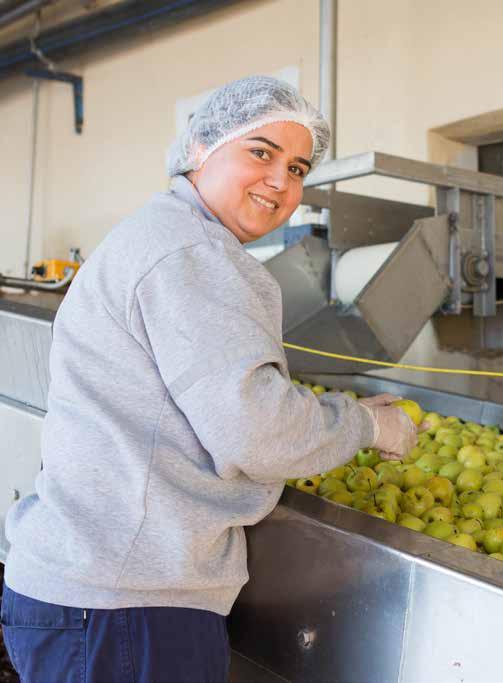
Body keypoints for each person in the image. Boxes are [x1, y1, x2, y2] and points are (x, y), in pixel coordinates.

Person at [1, 76, 416, 682]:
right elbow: (259, 432)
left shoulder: (165, 234)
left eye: (298, 167)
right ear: (200, 149)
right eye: (261, 152)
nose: (281, 180)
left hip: (94, 588)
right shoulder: (193, 253)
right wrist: (368, 424)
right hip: (127, 601)